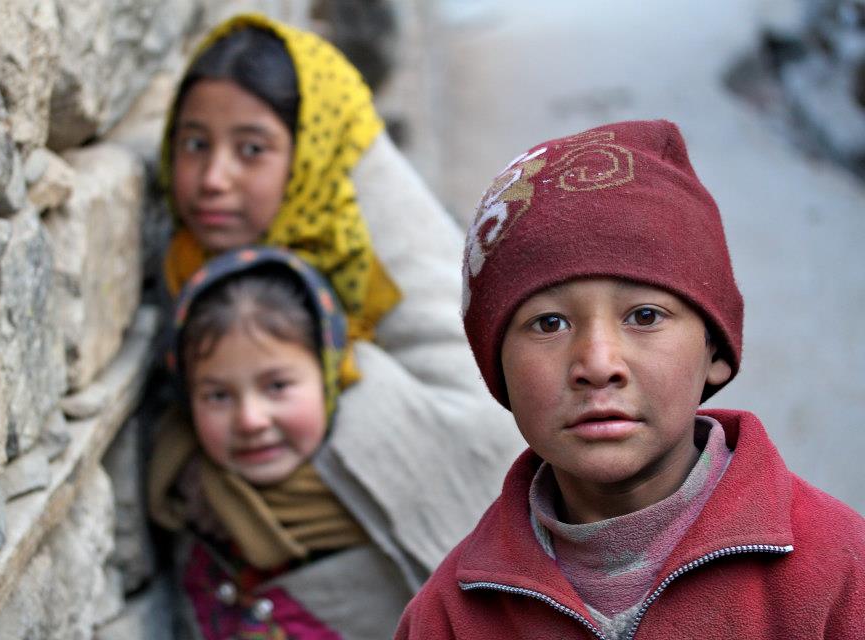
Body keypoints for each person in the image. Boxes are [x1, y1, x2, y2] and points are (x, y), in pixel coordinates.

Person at [395, 119, 865, 639]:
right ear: (497, 368)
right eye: (549, 323)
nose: (598, 364)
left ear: (716, 349)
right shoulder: (450, 618)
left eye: (644, 316)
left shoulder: (838, 571)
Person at [157, 11, 524, 592]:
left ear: (311, 153)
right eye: (194, 144)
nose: (212, 178)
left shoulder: (370, 238)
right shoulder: (190, 259)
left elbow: (490, 433)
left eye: (251, 149)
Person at [149, 246, 411, 638]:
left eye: (277, 386)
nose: (250, 420)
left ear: (326, 377)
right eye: (218, 396)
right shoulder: (189, 498)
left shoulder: (391, 491)